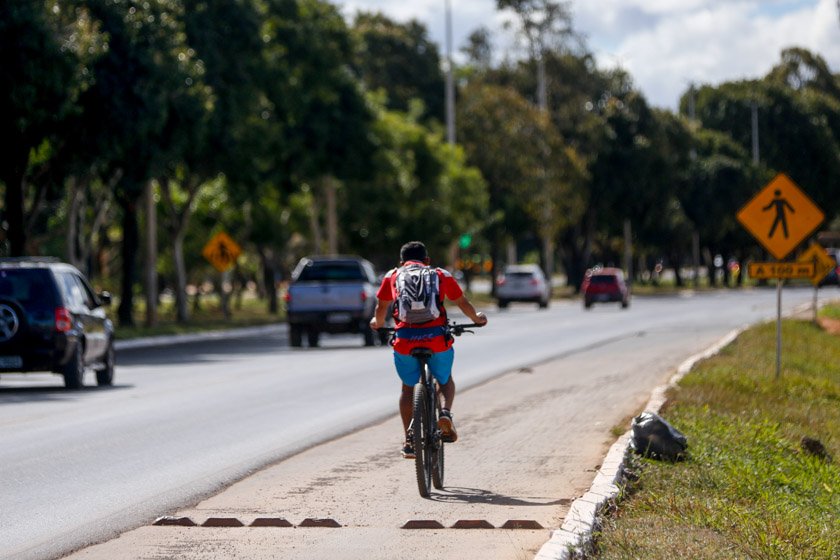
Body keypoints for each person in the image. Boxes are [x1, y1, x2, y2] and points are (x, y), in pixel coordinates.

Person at [370, 241, 487, 459]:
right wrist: (477, 319)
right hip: (436, 338)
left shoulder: (392, 276)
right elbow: (461, 302)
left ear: (401, 261)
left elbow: (381, 308)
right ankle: (445, 413)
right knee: (445, 381)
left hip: (405, 340)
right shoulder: (440, 274)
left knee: (407, 389)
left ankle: (409, 440)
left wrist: (377, 323)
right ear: (427, 261)